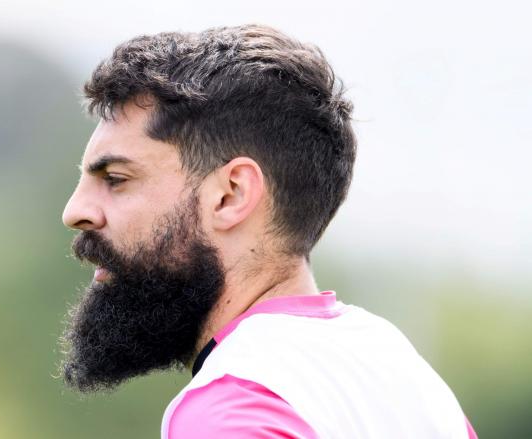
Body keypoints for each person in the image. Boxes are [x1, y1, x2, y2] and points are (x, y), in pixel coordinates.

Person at [59, 24, 478, 438]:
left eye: (115, 178)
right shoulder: (407, 380)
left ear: (231, 195)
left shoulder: (232, 409)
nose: (75, 212)